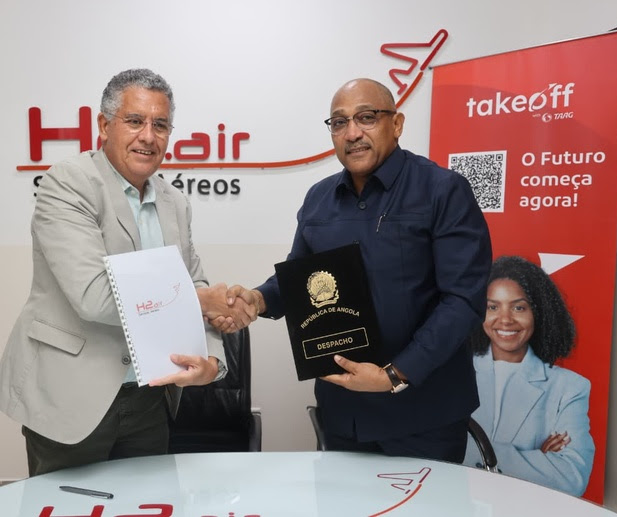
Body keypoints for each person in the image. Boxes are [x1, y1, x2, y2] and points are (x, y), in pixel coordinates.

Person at [0, 68, 255, 476]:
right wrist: (203, 301)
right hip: (70, 397)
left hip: (150, 398)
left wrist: (212, 361)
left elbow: (195, 282)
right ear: (104, 125)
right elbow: (94, 296)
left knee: (148, 502)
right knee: (67, 505)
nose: (148, 136)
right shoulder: (69, 183)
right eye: (134, 121)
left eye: (160, 125)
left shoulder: (175, 202)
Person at [222, 78, 492, 462]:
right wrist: (258, 298)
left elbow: (463, 300)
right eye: (339, 122)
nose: (352, 133)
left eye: (366, 117)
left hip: (423, 414)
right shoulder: (319, 198)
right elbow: (300, 279)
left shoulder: (443, 190)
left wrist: (394, 375)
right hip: (344, 413)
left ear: (396, 124)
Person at [464, 255, 594, 496]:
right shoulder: (456, 372)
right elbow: (431, 447)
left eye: (519, 307)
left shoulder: (570, 387)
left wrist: (470, 451)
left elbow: (571, 477)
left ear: (539, 312)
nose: (505, 319)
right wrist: (537, 459)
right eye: (492, 307)